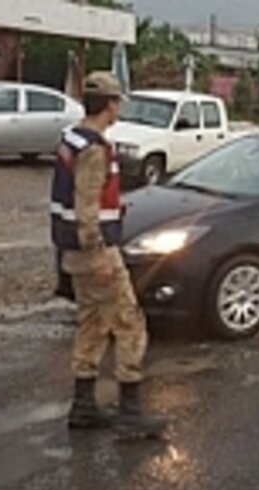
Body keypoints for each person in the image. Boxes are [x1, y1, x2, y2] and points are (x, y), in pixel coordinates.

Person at [51, 72, 166, 438]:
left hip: (72, 251)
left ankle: (83, 406)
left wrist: (113, 210)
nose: (119, 109)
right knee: (129, 323)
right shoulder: (95, 148)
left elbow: (80, 201)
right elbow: (85, 206)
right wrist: (100, 254)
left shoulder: (72, 138)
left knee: (92, 323)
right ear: (111, 105)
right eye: (118, 102)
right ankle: (131, 411)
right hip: (95, 253)